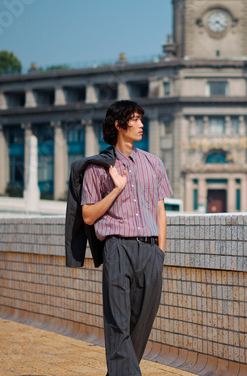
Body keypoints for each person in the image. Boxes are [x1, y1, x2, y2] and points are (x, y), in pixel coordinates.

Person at [72, 100, 172, 375]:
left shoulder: (154, 163)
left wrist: (160, 252)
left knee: (141, 322)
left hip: (151, 252)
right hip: (118, 249)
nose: (142, 124)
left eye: (141, 119)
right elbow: (89, 216)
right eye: (135, 119)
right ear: (119, 125)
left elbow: (160, 210)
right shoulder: (98, 167)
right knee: (118, 322)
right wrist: (116, 190)